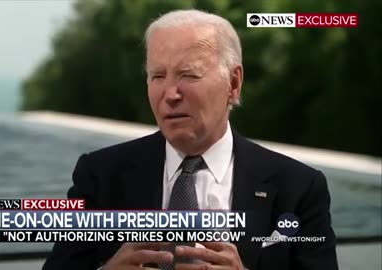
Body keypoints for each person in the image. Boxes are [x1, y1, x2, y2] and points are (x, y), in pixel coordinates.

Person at [42, 9, 338, 270]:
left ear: (233, 84)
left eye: (189, 75)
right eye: (158, 76)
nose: (170, 94)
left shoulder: (298, 188)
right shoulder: (101, 176)